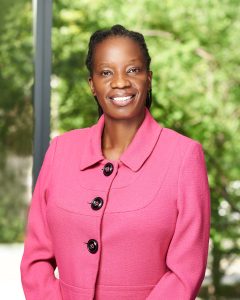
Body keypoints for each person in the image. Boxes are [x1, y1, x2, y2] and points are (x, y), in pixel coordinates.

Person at [20, 24, 211, 300]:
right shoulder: (60, 150)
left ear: (149, 78)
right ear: (92, 85)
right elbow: (36, 259)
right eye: (106, 72)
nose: (120, 82)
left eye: (133, 70)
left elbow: (185, 273)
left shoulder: (184, 156)